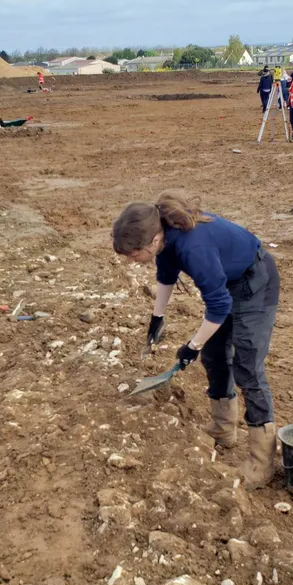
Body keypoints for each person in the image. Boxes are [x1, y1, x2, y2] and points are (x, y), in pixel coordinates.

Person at [112, 191, 281, 489]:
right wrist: (157, 317)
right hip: (227, 281)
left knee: (247, 365)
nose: (129, 260)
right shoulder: (163, 237)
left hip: (256, 281)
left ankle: (262, 460)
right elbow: (166, 274)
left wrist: (192, 345)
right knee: (215, 356)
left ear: (152, 241)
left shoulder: (194, 249)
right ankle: (223, 428)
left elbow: (218, 306)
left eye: (133, 254)